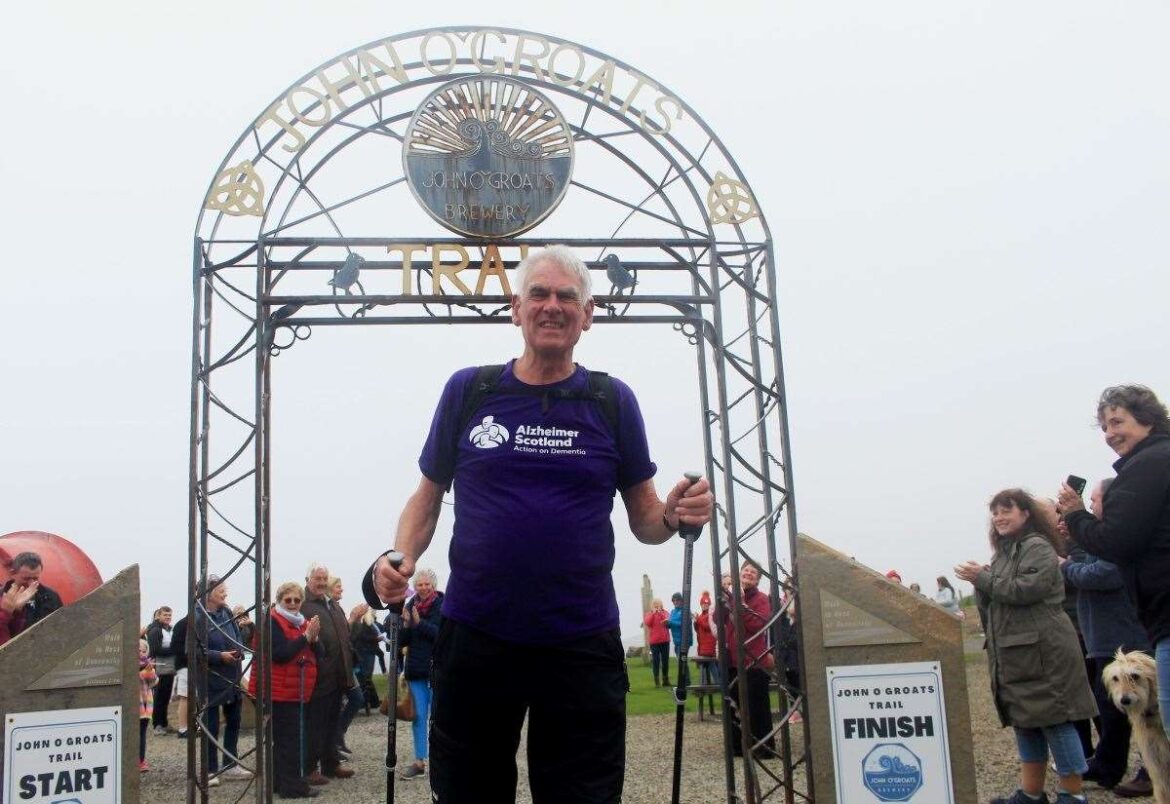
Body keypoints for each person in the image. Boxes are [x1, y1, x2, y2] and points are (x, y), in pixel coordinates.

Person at [364, 246, 713, 804]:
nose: (553, 307)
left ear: (588, 314)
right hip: (477, 636)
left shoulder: (611, 401)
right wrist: (398, 558)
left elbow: (647, 519)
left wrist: (676, 513)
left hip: (579, 642)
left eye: (567, 297)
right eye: (540, 295)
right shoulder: (470, 390)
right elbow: (427, 497)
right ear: (516, 308)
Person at [956, 489, 1097, 804]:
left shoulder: (1038, 547)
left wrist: (983, 579)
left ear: (1026, 513)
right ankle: (1031, 793)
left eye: (1007, 510)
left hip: (1044, 652)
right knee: (1026, 723)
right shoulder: (1005, 552)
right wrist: (984, 580)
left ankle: (1073, 795)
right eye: (995, 513)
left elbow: (1027, 589)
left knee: (1056, 722)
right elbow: (999, 597)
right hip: (1019, 653)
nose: (1000, 517)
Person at [1058, 385, 1170, 746]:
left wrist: (1076, 516)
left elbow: (1117, 542)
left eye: (1117, 422)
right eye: (1105, 427)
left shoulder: (1149, 465)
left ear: (1148, 419)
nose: (1109, 434)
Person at [1061, 479, 1152, 791]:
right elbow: (1088, 564)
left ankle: (1149, 769)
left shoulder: (1119, 535)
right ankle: (1109, 766)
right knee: (1110, 706)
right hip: (1103, 636)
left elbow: (1100, 573)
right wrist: (1074, 547)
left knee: (1145, 707)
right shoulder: (1099, 537)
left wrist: (1065, 566)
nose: (1092, 506)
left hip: (1126, 636)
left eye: (1096, 500)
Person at [247, 581, 322, 799]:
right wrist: (306, 638)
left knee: (283, 740)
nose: (292, 604)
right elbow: (280, 654)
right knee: (288, 741)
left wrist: (314, 640)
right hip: (277, 691)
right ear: (279, 601)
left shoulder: (301, 623)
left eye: (297, 600)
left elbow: (320, 652)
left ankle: (279, 782)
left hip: (293, 690)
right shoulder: (271, 622)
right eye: (287, 600)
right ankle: (292, 787)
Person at [300, 564, 356, 784]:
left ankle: (331, 764)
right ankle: (310, 768)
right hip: (318, 675)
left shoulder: (331, 604)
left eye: (324, 578)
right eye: (317, 578)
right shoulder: (304, 605)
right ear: (308, 580)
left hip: (338, 674)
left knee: (332, 723)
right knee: (316, 725)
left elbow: (343, 635)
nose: (322, 582)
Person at [199, 576, 251, 785]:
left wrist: (238, 650)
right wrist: (218, 656)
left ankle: (230, 764)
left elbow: (237, 636)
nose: (225, 592)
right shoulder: (198, 616)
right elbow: (193, 650)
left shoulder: (227, 612)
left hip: (233, 675)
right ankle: (210, 769)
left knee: (234, 721)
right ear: (209, 592)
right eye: (221, 589)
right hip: (211, 678)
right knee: (211, 724)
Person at [722, 560, 775, 759]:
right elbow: (719, 620)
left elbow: (757, 624)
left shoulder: (761, 599)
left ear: (758, 578)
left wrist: (741, 604)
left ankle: (763, 747)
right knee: (734, 703)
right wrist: (724, 596)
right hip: (733, 659)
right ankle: (737, 746)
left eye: (753, 572)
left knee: (757, 706)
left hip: (754, 660)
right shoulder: (729, 597)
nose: (749, 574)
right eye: (746, 570)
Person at [398, 567, 443, 781]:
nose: (423, 588)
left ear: (433, 586)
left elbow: (441, 635)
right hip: (416, 671)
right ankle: (419, 761)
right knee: (418, 717)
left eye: (427, 584)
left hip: (437, 670)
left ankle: (440, 760)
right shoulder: (409, 605)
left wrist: (418, 623)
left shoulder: (442, 606)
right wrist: (406, 625)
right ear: (415, 587)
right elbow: (403, 641)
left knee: (439, 718)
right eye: (419, 584)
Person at [329, 575, 368, 760]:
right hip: (337, 666)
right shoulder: (328, 609)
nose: (341, 589)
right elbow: (340, 638)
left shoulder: (336, 607)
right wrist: (352, 619)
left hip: (346, 664)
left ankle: (338, 736)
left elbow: (350, 638)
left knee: (356, 699)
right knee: (351, 700)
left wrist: (356, 620)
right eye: (338, 586)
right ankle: (334, 741)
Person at [2, 552, 63, 635]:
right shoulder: (2, 596)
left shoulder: (51, 597)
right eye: (26, 578)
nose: (31, 583)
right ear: (13, 573)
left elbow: (60, 624)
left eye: (35, 578)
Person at [145, 606, 177, 735]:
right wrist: (174, 650)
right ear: (158, 616)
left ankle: (164, 722)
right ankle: (157, 725)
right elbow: (155, 650)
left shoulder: (168, 629)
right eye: (165, 615)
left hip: (169, 667)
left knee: (166, 697)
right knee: (159, 697)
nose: (168, 618)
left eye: (169, 615)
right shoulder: (155, 630)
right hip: (160, 667)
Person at [138, 638, 158, 772]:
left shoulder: (148, 664)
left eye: (144, 651)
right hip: (134, 704)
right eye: (138, 650)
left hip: (146, 705)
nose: (141, 653)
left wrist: (150, 673)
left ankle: (141, 760)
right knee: (134, 733)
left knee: (142, 733)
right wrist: (142, 674)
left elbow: (154, 682)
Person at [643, 599, 671, 687]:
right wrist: (654, 613)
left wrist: (660, 612)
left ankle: (665, 680)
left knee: (665, 661)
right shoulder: (649, 614)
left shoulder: (665, 612)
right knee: (656, 661)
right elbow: (648, 623)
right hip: (654, 642)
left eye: (658, 605)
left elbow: (667, 621)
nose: (657, 606)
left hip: (665, 641)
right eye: (655, 605)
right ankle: (657, 681)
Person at [693, 591, 718, 686]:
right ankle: (704, 683)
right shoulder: (701, 616)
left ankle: (716, 683)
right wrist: (695, 622)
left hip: (709, 645)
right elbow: (698, 630)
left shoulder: (710, 615)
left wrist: (698, 620)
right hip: (702, 645)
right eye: (703, 604)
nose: (705, 606)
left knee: (711, 665)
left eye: (706, 604)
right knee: (705, 665)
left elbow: (708, 627)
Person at [667, 592, 689, 686]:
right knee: (680, 662)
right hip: (676, 641)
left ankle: (686, 682)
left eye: (677, 600)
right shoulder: (672, 612)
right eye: (674, 600)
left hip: (684, 640)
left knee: (682, 662)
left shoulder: (685, 611)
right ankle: (683, 681)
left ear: (681, 600)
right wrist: (666, 624)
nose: (676, 602)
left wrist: (671, 622)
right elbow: (670, 624)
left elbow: (682, 624)